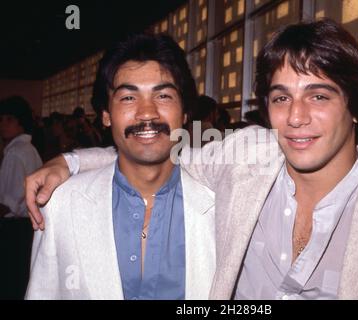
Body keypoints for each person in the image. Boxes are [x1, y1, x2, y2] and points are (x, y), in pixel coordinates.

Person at [26, 21, 358, 300]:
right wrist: (69, 162)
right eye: (280, 98)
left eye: (319, 95)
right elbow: (151, 150)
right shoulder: (245, 161)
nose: (296, 116)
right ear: (105, 113)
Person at [25, 34, 215, 299]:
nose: (147, 113)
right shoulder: (62, 205)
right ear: (105, 114)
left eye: (163, 95)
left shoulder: (220, 207)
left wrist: (73, 159)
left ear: (184, 114)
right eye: (128, 98)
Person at [0, 96, 42, 218]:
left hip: (14, 224)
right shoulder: (29, 148)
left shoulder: (15, 153)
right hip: (29, 220)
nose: (3, 124)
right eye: (1, 119)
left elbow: (9, 205)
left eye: (9, 120)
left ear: (22, 122)